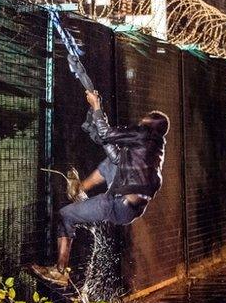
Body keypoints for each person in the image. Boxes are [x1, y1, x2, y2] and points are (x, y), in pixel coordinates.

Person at [31, 90, 170, 287]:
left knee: (65, 215)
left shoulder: (144, 134)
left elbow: (106, 134)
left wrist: (96, 106)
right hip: (129, 210)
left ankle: (60, 270)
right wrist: (98, 117)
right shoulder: (154, 150)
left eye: (143, 120)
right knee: (112, 162)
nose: (139, 122)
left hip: (116, 204)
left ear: (148, 123)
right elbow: (112, 150)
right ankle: (80, 189)